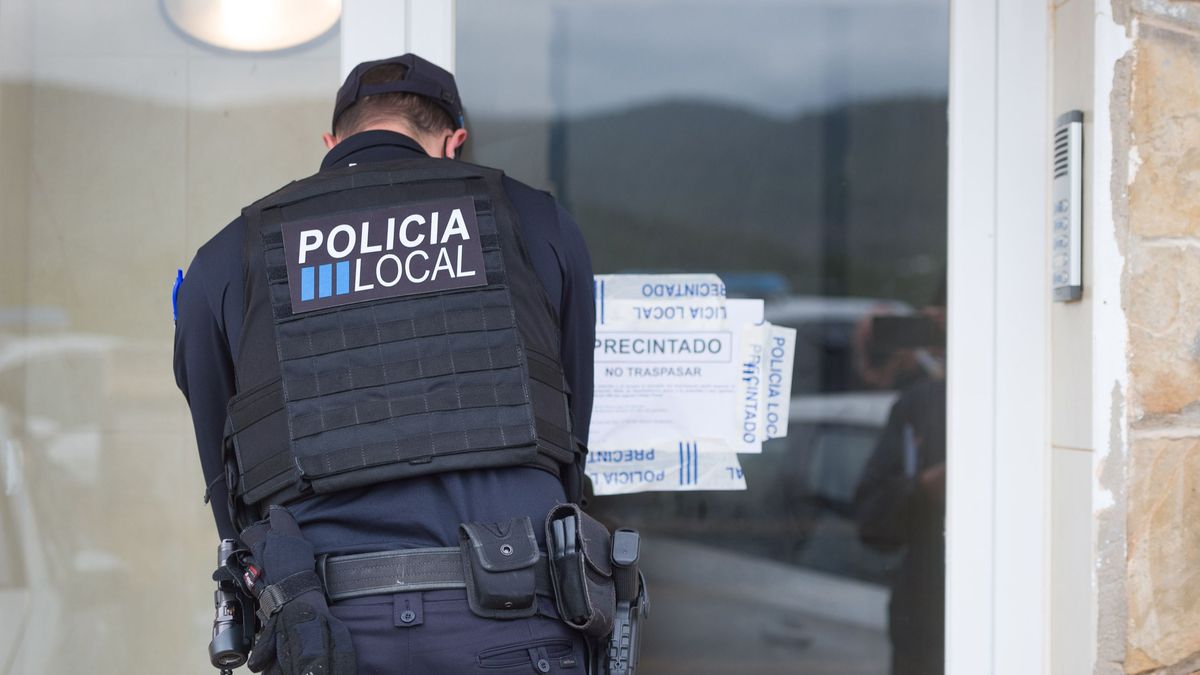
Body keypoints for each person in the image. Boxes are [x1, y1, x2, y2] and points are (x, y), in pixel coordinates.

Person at [174, 54, 597, 674]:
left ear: (332, 142)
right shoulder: (534, 220)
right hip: (515, 610)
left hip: (327, 629)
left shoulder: (226, 256)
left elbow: (224, 475)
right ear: (454, 143)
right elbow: (570, 428)